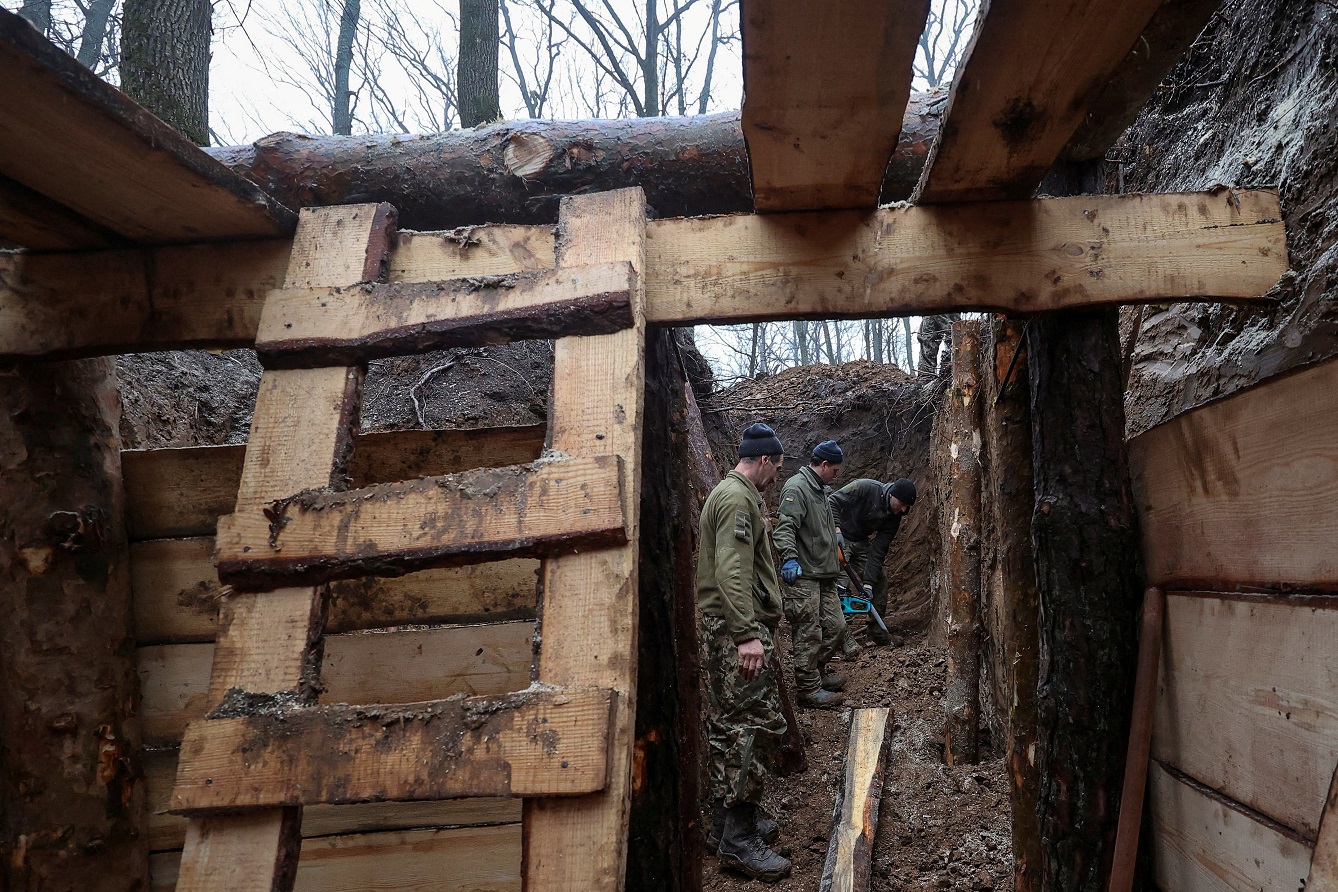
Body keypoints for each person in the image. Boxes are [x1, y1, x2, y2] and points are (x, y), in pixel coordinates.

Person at [696, 422, 792, 882]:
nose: (776, 475)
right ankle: (738, 840)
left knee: (728, 725)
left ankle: (724, 824)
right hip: (735, 629)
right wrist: (747, 634)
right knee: (751, 728)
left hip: (726, 627)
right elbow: (731, 572)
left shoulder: (728, 493)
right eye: (777, 465)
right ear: (766, 460)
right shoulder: (736, 498)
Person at [772, 440, 848, 708]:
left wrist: (836, 537)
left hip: (825, 572)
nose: (837, 475)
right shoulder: (797, 488)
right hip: (804, 575)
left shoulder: (821, 490)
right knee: (808, 632)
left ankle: (818, 672)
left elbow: (824, 525)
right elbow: (785, 528)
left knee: (837, 627)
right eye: (835, 470)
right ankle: (808, 688)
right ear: (824, 465)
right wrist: (789, 558)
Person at [829, 477, 917, 646]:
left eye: (907, 507)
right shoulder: (865, 488)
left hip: (861, 541)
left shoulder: (895, 516)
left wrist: (869, 583)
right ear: (892, 495)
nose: (903, 509)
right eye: (902, 503)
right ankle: (842, 636)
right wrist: (836, 529)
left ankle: (876, 631)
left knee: (880, 577)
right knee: (840, 582)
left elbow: (878, 550)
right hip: (838, 537)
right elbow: (831, 501)